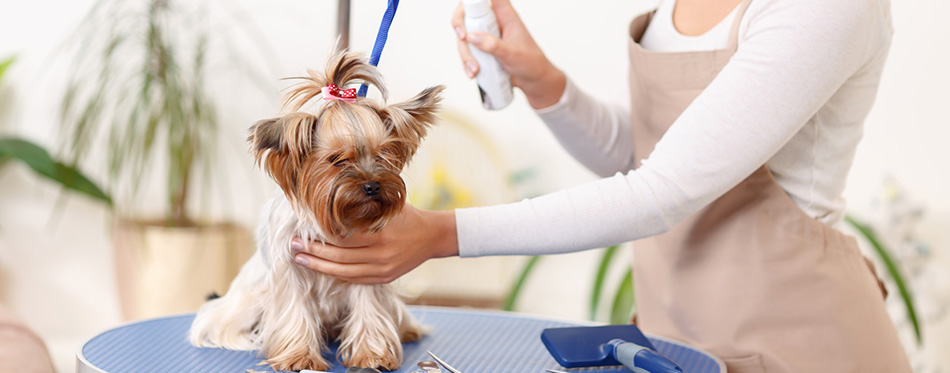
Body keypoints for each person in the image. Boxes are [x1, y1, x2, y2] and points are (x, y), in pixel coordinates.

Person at [289, 0, 912, 371]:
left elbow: (664, 190)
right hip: (676, 334)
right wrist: (545, 83)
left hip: (798, 342)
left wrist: (444, 233)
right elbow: (646, 157)